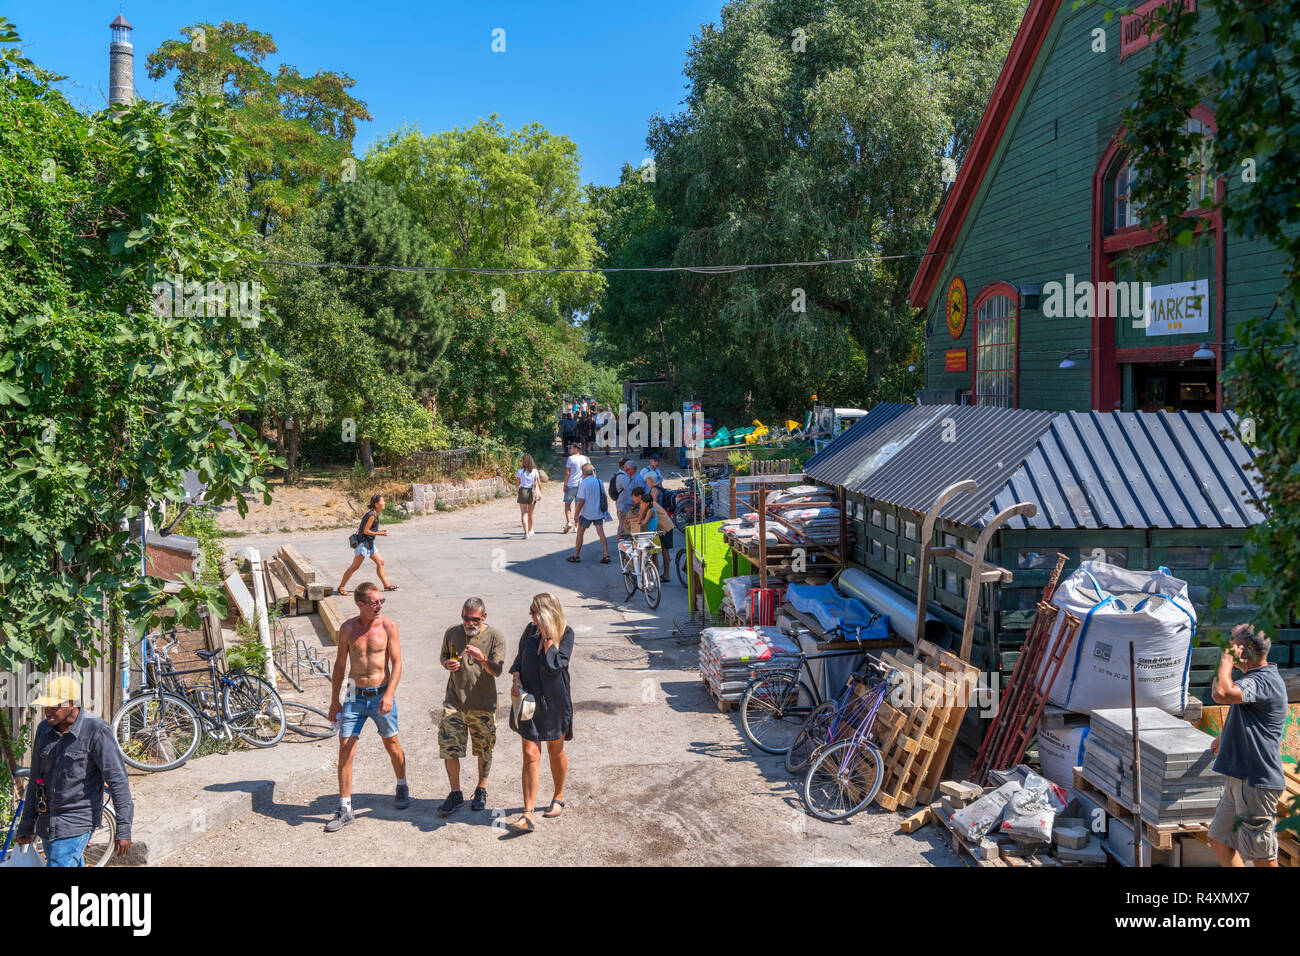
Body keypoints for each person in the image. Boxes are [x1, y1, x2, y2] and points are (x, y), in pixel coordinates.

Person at [14, 676, 133, 866]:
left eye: (54, 706)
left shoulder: (96, 730)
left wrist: (124, 829)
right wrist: (27, 823)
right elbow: (36, 778)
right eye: (46, 706)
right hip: (47, 822)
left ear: (71, 703)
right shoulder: (44, 730)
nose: (48, 711)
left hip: (77, 820)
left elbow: (118, 780)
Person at [325, 582, 407, 831]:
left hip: (382, 692)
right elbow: (340, 666)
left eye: (381, 601)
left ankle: (402, 785)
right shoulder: (348, 628)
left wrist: (390, 694)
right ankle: (345, 807)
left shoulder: (389, 625)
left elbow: (397, 662)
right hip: (353, 694)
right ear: (360, 604)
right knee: (345, 748)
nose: (379, 606)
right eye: (374, 602)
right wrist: (334, 700)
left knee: (391, 744)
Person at [1206, 623, 1288, 867]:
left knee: (1261, 856)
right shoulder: (1255, 681)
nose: (1229, 648)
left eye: (1233, 645)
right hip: (1239, 778)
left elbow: (1221, 693)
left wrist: (1225, 659)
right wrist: (1225, 737)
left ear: (1245, 651)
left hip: (1256, 781)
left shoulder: (1263, 681)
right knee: (1220, 840)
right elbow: (1246, 712)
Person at [506, 593, 575, 833]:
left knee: (555, 751)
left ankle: (559, 795)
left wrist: (548, 637)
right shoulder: (529, 630)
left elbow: (556, 664)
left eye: (534, 611)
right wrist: (516, 679)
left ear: (546, 613)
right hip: (529, 701)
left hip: (555, 703)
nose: (530, 615)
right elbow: (518, 659)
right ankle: (528, 814)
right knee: (529, 753)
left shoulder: (565, 634)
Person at [437, 597, 506, 816]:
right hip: (454, 701)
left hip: (483, 703)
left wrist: (483, 659)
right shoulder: (452, 632)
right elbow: (444, 657)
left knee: (484, 749)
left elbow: (497, 670)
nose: (470, 623)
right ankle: (455, 793)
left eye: (475, 619)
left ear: (483, 617)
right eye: (466, 618)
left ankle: (481, 789)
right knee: (449, 746)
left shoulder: (495, 636)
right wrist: (448, 664)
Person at [337, 494, 397, 595]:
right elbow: (365, 531)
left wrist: (378, 530)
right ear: (376, 504)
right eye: (382, 501)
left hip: (369, 544)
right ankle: (341, 588)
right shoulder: (372, 515)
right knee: (354, 567)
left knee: (380, 562)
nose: (384, 503)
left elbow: (369, 528)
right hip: (363, 545)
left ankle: (387, 586)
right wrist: (379, 533)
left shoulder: (375, 513)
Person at [567, 462, 610, 563]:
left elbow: (582, 500)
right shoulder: (599, 481)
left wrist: (576, 513)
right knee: (601, 533)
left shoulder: (583, 483)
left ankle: (576, 555)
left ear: (583, 472)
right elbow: (604, 495)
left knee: (580, 534)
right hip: (598, 511)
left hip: (586, 513)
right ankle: (606, 555)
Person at [645, 475, 676, 582]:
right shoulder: (660, 487)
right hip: (664, 523)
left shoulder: (653, 491)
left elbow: (652, 508)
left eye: (646, 481)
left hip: (664, 526)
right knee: (663, 550)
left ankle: (666, 575)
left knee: (664, 550)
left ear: (649, 481)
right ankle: (663, 574)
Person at [561, 442, 589, 533]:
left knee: (567, 504)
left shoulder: (570, 459)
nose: (570, 450)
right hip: (581, 485)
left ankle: (569, 522)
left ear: (576, 449)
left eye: (571, 448)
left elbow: (567, 473)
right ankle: (576, 526)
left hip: (571, 484)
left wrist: (565, 484)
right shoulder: (585, 458)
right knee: (578, 506)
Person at [614, 458, 644, 535]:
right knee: (623, 527)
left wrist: (634, 506)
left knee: (628, 527)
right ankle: (621, 545)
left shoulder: (637, 478)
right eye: (625, 470)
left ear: (632, 469)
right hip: (626, 507)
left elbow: (638, 496)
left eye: (627, 470)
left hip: (631, 507)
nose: (626, 472)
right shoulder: (627, 477)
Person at [515, 453, 541, 538]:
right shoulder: (535, 471)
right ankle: (530, 530)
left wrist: (517, 484)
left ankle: (526, 533)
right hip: (532, 492)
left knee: (523, 513)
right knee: (531, 513)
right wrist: (539, 492)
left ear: (525, 462)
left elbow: (517, 484)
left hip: (523, 491)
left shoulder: (520, 471)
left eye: (521, 460)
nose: (521, 462)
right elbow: (539, 483)